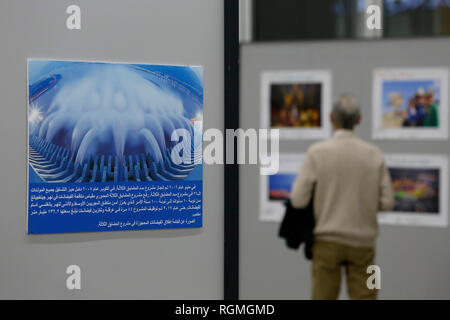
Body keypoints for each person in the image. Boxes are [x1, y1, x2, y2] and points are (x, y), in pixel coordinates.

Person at [290, 93, 395, 300]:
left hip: (326, 243)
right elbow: (387, 202)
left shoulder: (317, 153)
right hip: (364, 245)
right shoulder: (374, 154)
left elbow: (298, 199)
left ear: (331, 118)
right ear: (359, 120)